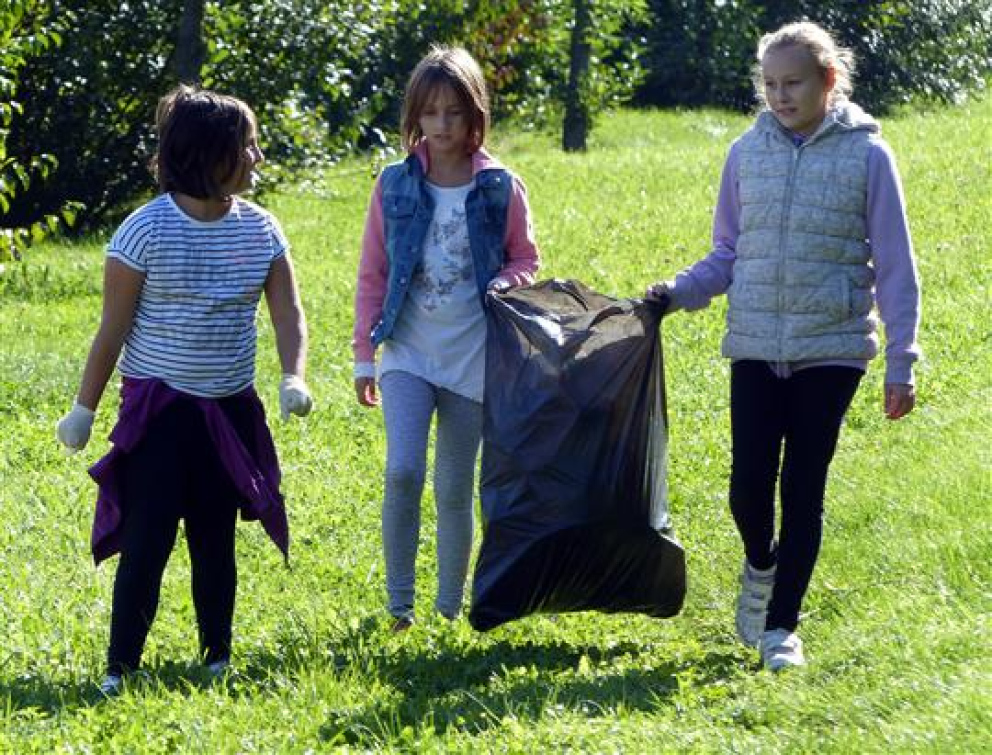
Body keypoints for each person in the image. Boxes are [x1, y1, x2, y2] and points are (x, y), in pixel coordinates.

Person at [647, 21, 921, 671]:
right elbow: (727, 254)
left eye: (793, 82)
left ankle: (781, 629)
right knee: (747, 490)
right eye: (769, 83)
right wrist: (673, 293)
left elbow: (897, 267)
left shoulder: (868, 156)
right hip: (755, 346)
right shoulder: (746, 154)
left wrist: (901, 361)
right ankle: (761, 563)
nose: (779, 95)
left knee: (802, 488)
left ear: (829, 80)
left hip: (831, 348)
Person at [56, 85, 313, 695]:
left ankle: (216, 654)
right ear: (208, 155)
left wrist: (293, 373)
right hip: (160, 411)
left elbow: (289, 314)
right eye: (246, 147)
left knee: (214, 537)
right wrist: (83, 409)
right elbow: (111, 330)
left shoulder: (262, 231)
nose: (257, 158)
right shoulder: (144, 231)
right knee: (147, 540)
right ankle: (121, 667)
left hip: (228, 410)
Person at [352, 46, 540, 631]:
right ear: (415, 116)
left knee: (455, 488)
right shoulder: (394, 186)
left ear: (474, 114)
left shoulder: (500, 187)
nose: (441, 125)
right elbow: (372, 274)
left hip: (473, 360)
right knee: (404, 471)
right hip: (407, 352)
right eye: (429, 113)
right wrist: (365, 357)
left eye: (453, 113)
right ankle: (400, 607)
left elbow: (525, 257)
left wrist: (506, 282)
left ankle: (446, 609)